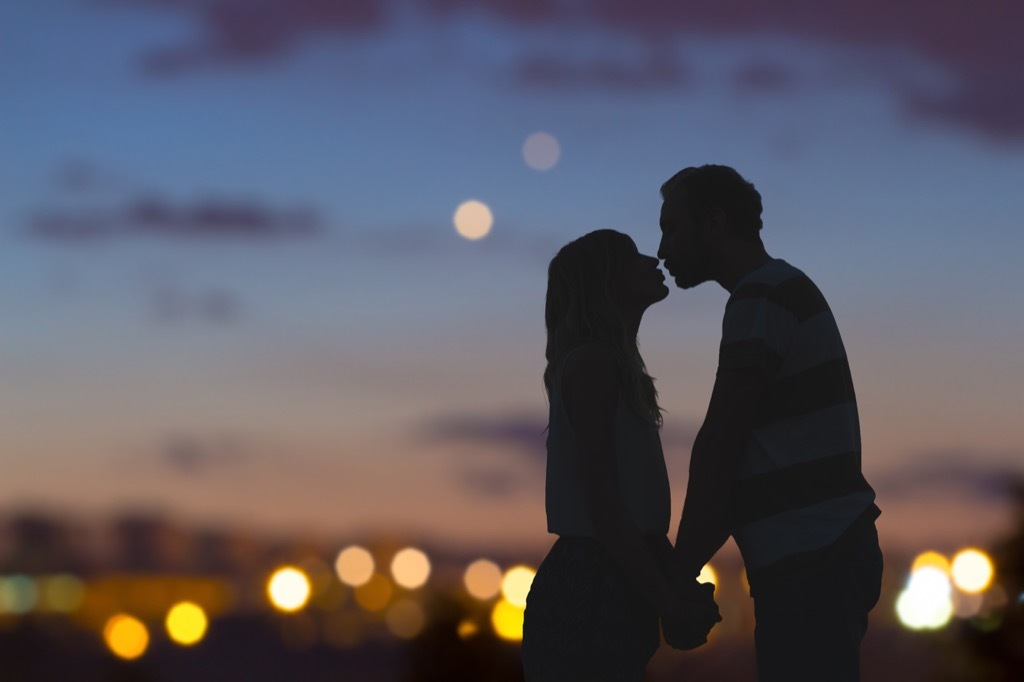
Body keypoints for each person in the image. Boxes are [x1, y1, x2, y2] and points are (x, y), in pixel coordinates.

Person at [656, 165, 883, 681]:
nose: (663, 249)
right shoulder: (777, 291)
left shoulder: (762, 297)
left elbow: (721, 444)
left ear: (713, 223)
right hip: (821, 554)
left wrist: (675, 573)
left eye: (671, 228)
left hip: (813, 558)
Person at [521, 229, 720, 682]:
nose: (652, 260)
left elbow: (625, 509)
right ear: (604, 283)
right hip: (592, 584)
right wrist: (669, 601)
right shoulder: (593, 364)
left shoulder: (608, 365)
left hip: (609, 575)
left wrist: (672, 585)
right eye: (631, 257)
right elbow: (605, 505)